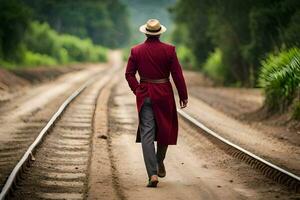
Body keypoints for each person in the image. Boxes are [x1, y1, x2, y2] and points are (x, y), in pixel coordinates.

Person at [125, 19, 188, 187]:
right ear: (160, 33)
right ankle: (159, 161)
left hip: (145, 94)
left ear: (145, 32)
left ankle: (152, 174)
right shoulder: (169, 50)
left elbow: (129, 74)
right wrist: (183, 95)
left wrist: (137, 89)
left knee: (147, 134)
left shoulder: (136, 51)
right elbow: (177, 75)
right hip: (164, 94)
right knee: (165, 130)